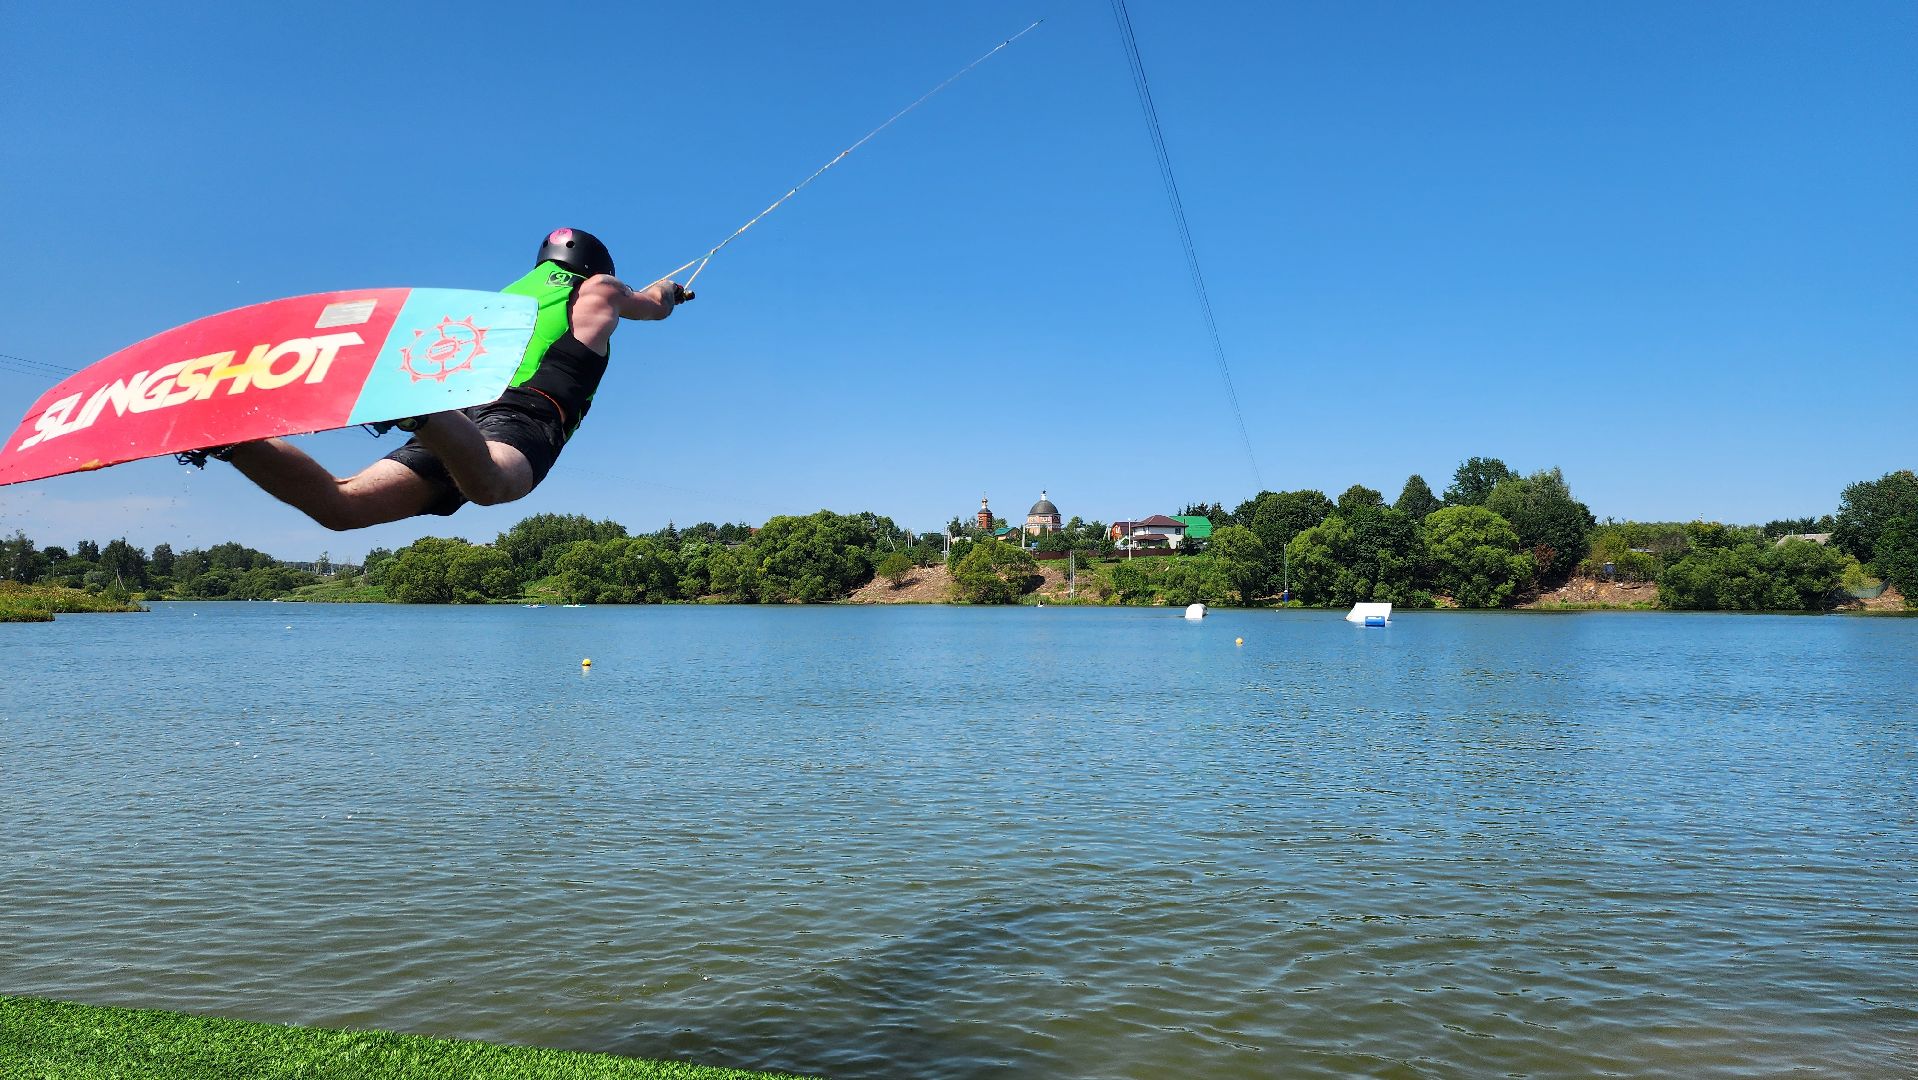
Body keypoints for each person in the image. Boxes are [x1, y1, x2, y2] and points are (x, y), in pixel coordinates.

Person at [186, 228, 687, 530]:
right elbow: (653, 307)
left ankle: (232, 442)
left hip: (461, 416)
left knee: (341, 507)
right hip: (525, 413)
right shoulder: (600, 288)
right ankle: (418, 412)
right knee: (493, 485)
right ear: (595, 265)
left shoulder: (504, 302)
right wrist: (670, 289)